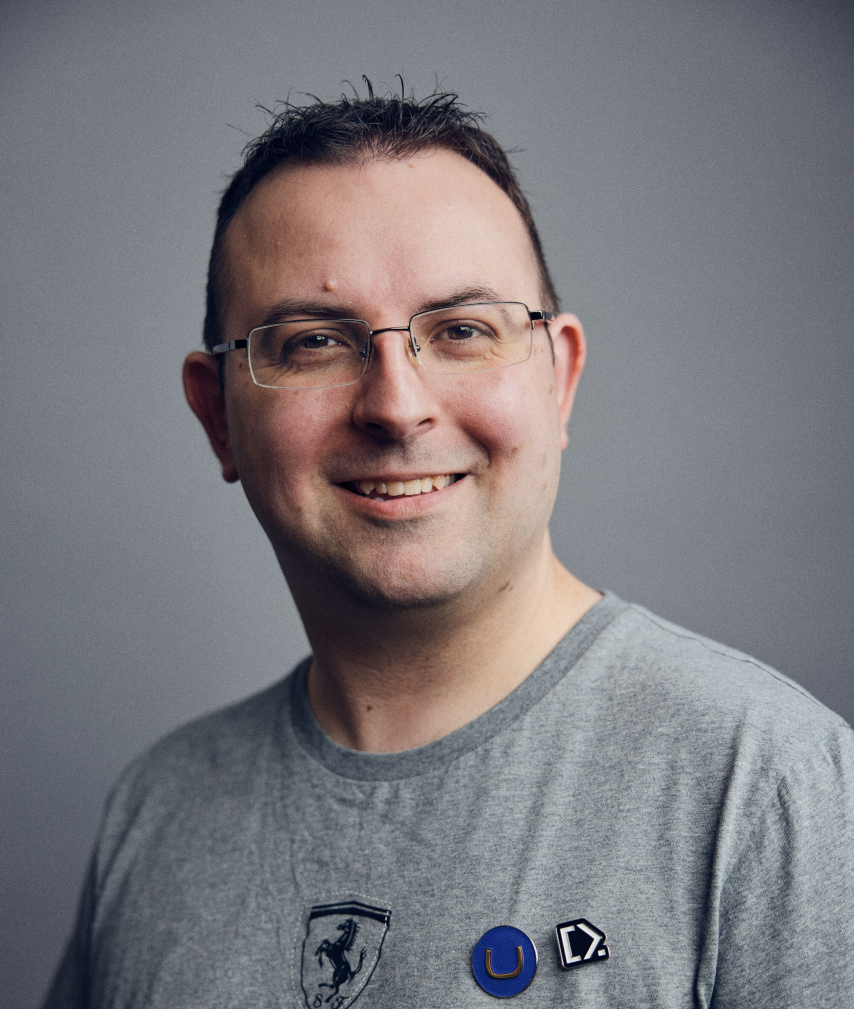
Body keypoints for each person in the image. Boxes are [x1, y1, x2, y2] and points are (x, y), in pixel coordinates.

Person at [43, 87, 853, 1009]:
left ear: (559, 379)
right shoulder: (157, 812)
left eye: (462, 331)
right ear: (217, 416)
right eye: (314, 342)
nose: (397, 406)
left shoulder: (769, 788)